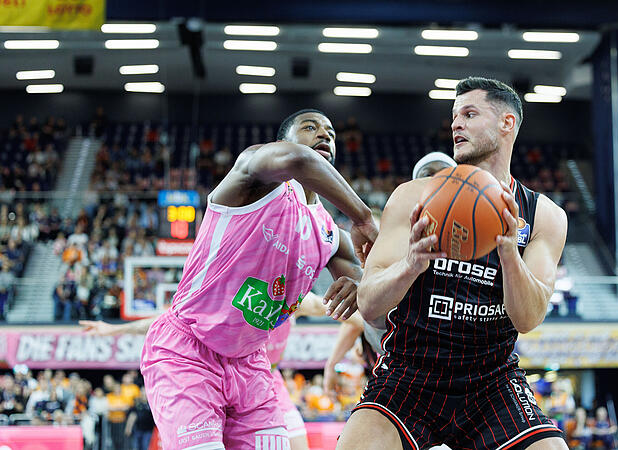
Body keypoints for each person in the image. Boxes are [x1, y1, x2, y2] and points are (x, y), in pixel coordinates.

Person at [337, 77, 569, 450]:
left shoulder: (544, 216)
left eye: (469, 114)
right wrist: (410, 264)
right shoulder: (412, 196)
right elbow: (369, 304)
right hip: (410, 372)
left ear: (507, 124)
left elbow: (528, 320)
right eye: (454, 115)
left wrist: (509, 253)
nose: (455, 124)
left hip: (492, 380)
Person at [138, 109, 378, 450]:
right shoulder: (251, 175)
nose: (325, 135)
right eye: (310, 128)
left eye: (331, 133)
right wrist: (363, 216)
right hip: (189, 351)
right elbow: (297, 160)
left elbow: (368, 286)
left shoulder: (329, 234)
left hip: (251, 365)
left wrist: (359, 283)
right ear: (280, 143)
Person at [83, 290, 354, 450]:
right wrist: (115, 329)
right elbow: (161, 321)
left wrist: (369, 303)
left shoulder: (294, 295)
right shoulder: (235, 292)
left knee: (296, 444)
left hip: (267, 382)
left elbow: (331, 308)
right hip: (225, 375)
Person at [322, 151, 458, 396]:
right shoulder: (397, 237)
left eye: (444, 176)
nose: (434, 181)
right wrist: (365, 285)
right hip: (401, 367)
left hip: (455, 367)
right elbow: (361, 315)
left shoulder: (474, 239)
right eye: (427, 176)